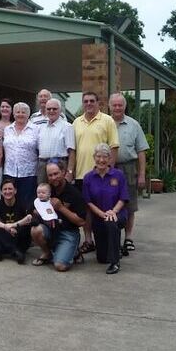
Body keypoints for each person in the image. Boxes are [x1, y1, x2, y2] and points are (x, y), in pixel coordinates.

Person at [73, 91, 119, 254]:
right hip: (81, 174)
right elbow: (73, 150)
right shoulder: (76, 122)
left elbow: (114, 147)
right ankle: (88, 240)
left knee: (103, 206)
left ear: (98, 103)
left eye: (92, 101)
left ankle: (106, 239)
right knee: (86, 208)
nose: (89, 104)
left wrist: (110, 170)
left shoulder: (107, 120)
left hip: (101, 174)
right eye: (86, 101)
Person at [109, 92, 149, 253]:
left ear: (125, 106)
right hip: (109, 169)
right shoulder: (104, 123)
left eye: (120, 105)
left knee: (130, 204)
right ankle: (112, 238)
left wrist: (142, 174)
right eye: (114, 105)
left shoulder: (134, 125)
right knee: (110, 203)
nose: (117, 108)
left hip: (128, 168)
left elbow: (141, 151)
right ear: (109, 106)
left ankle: (128, 238)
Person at [30, 160, 87, 272]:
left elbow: (81, 221)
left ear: (63, 172)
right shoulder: (46, 190)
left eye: (56, 174)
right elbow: (32, 206)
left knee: (60, 266)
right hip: (51, 229)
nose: (53, 178)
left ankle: (74, 251)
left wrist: (61, 208)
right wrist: (36, 211)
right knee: (35, 230)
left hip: (68, 232)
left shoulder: (74, 193)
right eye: (50, 175)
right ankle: (47, 253)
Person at [82, 144, 129, 274]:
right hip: (99, 217)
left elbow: (123, 198)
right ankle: (115, 249)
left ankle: (115, 262)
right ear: (94, 157)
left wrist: (113, 211)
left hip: (118, 214)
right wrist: (102, 214)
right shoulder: (88, 178)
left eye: (105, 157)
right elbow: (88, 202)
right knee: (102, 258)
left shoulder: (118, 175)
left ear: (109, 159)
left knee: (111, 222)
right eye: (98, 156)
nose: (101, 160)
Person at [0, 179, 32, 263]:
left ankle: (1, 249)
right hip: (4, 234)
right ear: (1, 192)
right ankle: (14, 251)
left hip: (17, 236)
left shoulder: (22, 203)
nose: (7, 191)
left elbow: (29, 218)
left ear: (15, 191)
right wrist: (5, 226)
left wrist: (14, 225)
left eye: (10, 189)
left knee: (26, 226)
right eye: (5, 189)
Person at [3, 102, 40, 206]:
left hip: (29, 172)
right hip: (9, 171)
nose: (20, 114)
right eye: (17, 112)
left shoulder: (36, 129)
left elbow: (40, 150)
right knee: (10, 200)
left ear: (28, 114)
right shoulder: (7, 129)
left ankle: (27, 216)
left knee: (27, 202)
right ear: (13, 114)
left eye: (23, 112)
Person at [36, 98, 76, 183]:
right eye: (49, 109)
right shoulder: (41, 128)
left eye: (54, 109)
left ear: (60, 110)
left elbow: (72, 152)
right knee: (43, 190)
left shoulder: (67, 127)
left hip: (60, 164)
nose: (51, 111)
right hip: (43, 166)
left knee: (60, 190)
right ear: (45, 110)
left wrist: (70, 172)